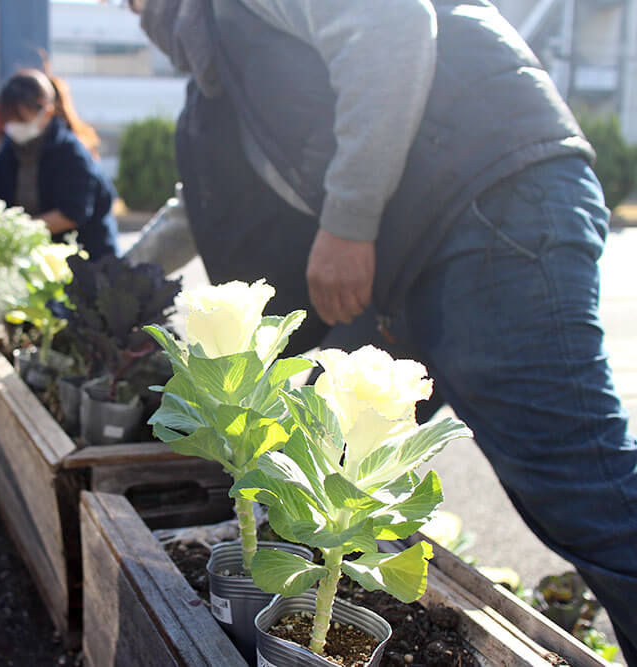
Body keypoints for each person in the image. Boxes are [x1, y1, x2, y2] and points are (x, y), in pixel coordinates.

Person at [129, 0, 637, 661]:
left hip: (487, 205)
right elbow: (191, 206)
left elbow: (391, 21)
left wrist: (348, 221)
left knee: (580, 487)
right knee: (319, 446)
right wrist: (112, 273)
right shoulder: (226, 61)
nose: (136, 11)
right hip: (432, 238)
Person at [0, 68, 119, 260]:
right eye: (10, 119)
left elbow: (72, 213)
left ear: (47, 111)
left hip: (89, 260)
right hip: (39, 261)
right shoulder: (11, 149)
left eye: (21, 118)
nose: (15, 125)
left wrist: (16, 230)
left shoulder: (71, 153)